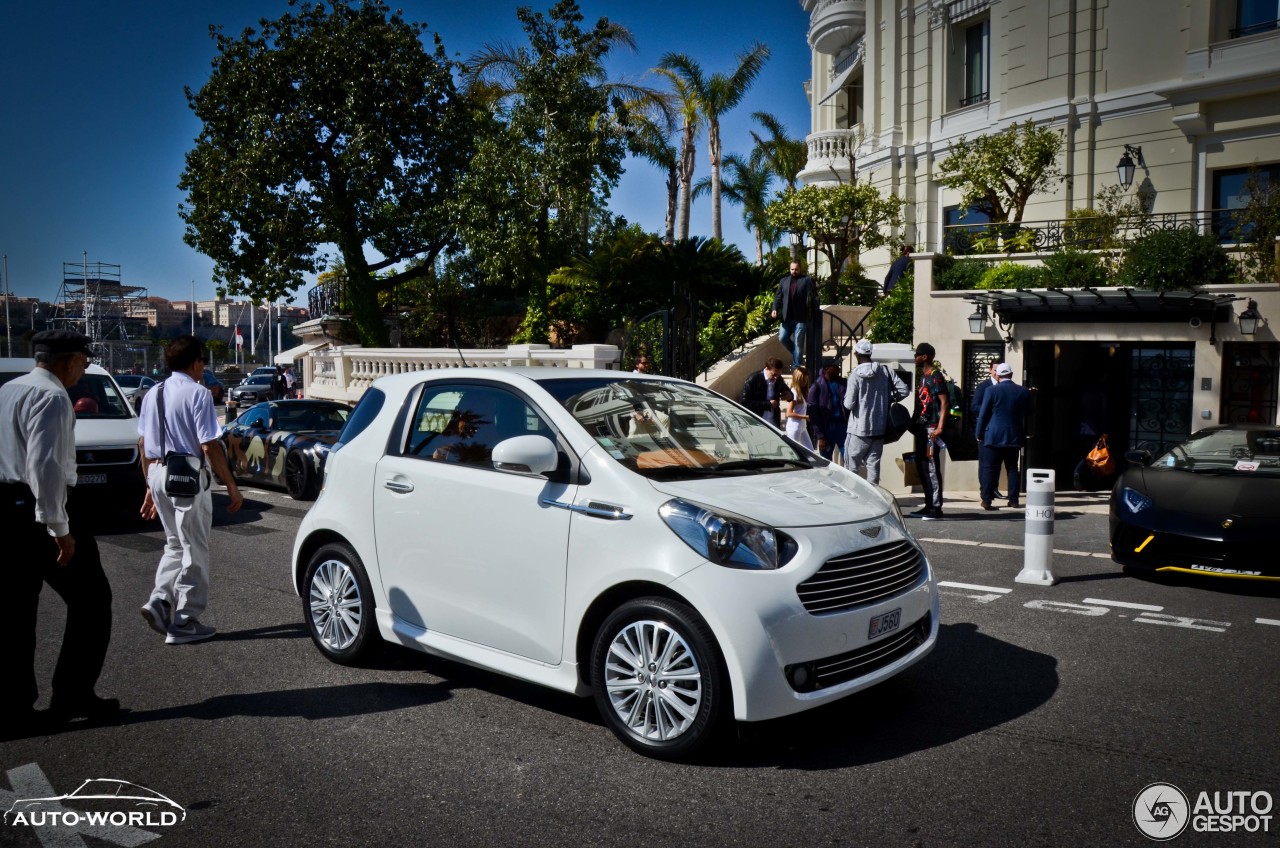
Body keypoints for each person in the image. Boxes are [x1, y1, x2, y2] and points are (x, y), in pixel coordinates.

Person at [0, 330, 118, 737]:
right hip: (38, 512)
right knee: (92, 601)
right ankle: (73, 694)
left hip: (5, 509)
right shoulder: (52, 398)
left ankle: (13, 708)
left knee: (15, 613)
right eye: (84, 363)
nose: (82, 371)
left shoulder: (8, 391)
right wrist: (59, 528)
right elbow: (45, 466)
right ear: (68, 361)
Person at [138, 335, 244, 645]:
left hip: (157, 473)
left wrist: (149, 485)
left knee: (174, 543)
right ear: (196, 364)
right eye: (202, 363)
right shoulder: (198, 394)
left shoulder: (152, 394)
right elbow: (209, 445)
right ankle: (184, 620)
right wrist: (232, 487)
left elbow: (144, 444)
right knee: (195, 547)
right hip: (186, 475)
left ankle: (160, 600)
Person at [843, 339, 909, 485]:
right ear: (870, 353)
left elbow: (848, 404)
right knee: (873, 468)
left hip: (858, 430)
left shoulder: (855, 375)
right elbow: (904, 391)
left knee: (851, 468)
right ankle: (873, 500)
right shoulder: (885, 371)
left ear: (856, 354)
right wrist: (891, 398)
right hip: (879, 430)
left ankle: (854, 500)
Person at [975, 362, 1031, 510]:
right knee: (1012, 468)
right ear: (1011, 375)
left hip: (993, 436)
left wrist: (978, 433)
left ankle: (986, 500)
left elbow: (983, 414)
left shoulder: (991, 390)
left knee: (989, 468)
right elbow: (1030, 413)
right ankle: (1014, 500)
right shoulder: (1023, 391)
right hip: (1014, 436)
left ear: (998, 375)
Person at [911, 342, 948, 519]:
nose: (915, 357)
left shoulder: (935, 376)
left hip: (932, 429)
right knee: (923, 467)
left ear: (924, 356)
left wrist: (940, 427)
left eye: (917, 354)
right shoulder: (923, 377)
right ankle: (928, 505)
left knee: (932, 468)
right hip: (922, 428)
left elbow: (944, 402)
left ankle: (936, 508)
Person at [970, 357, 1005, 500]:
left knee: (997, 462)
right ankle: (985, 489)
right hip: (986, 430)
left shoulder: (1005, 387)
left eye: (999, 370)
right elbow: (974, 407)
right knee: (985, 461)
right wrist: (991, 410)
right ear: (990, 370)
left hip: (1000, 431)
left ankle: (994, 488)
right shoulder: (983, 387)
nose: (997, 373)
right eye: (995, 370)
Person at [771, 262, 815, 368]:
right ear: (789, 269)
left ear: (800, 269)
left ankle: (796, 367)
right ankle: (798, 357)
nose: (794, 271)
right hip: (786, 317)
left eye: (796, 269)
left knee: (798, 344)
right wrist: (774, 309)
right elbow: (778, 297)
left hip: (800, 318)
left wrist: (812, 312)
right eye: (792, 269)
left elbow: (813, 296)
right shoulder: (783, 281)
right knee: (782, 337)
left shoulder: (806, 280)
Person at [808, 359, 847, 462]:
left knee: (848, 458)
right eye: (835, 366)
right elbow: (813, 412)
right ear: (826, 369)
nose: (838, 368)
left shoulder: (843, 383)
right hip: (826, 429)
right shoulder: (817, 386)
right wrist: (820, 436)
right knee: (825, 461)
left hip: (843, 427)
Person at [741, 357, 784, 428]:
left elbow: (786, 390)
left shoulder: (779, 380)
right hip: (757, 422)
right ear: (767, 369)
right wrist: (767, 404)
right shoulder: (753, 379)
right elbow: (745, 402)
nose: (776, 377)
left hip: (773, 422)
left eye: (778, 375)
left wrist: (789, 395)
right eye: (774, 374)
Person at [785, 367, 814, 449]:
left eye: (806, 380)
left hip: (802, 426)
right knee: (796, 452)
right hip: (794, 427)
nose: (805, 382)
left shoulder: (801, 393)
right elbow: (789, 413)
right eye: (803, 380)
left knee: (810, 451)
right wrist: (805, 417)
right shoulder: (794, 393)